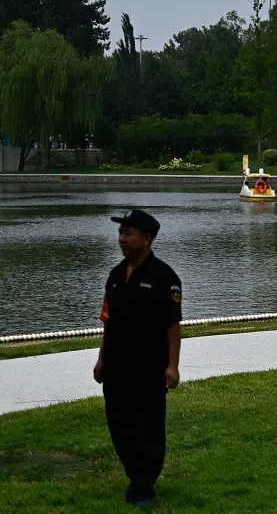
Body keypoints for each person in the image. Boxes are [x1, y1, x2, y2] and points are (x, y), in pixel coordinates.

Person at [93, 209, 182, 506]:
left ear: (147, 238)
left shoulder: (164, 278)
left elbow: (173, 326)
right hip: (117, 365)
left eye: (128, 234)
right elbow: (109, 321)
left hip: (149, 368)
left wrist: (172, 366)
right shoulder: (115, 275)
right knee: (119, 424)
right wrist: (101, 359)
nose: (122, 239)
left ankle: (144, 486)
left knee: (148, 427)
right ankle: (135, 476)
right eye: (121, 233)